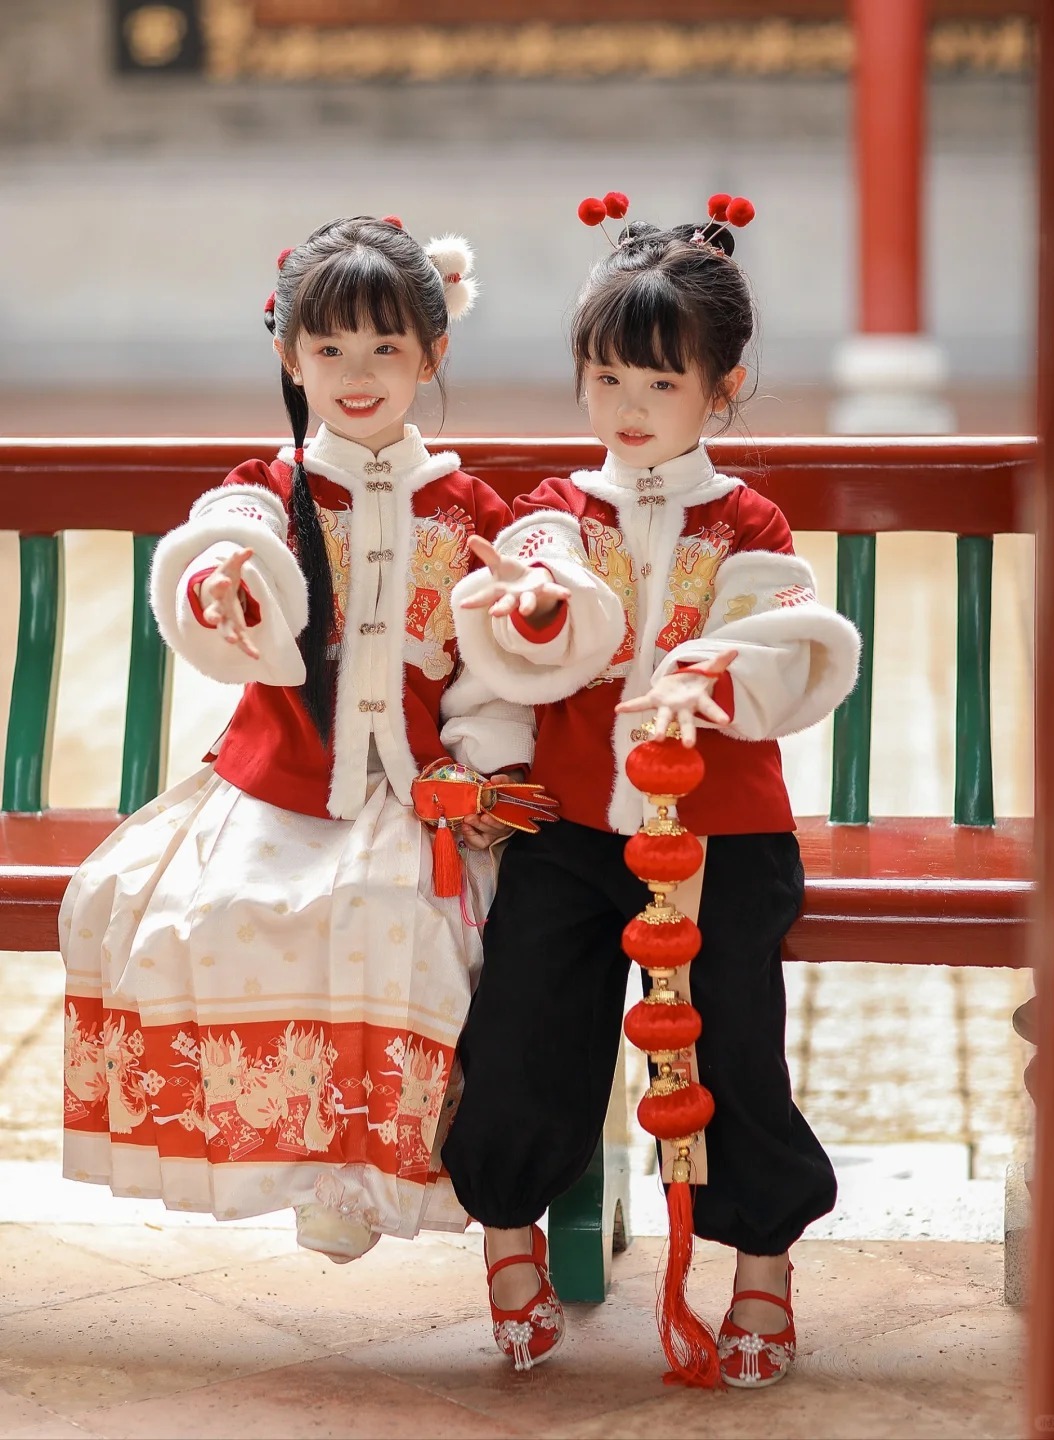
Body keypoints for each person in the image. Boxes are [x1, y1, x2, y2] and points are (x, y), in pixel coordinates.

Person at [61, 213, 535, 1264]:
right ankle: (305, 1163)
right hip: (279, 787)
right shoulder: (266, 491)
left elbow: (496, 672)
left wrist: (479, 764)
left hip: (414, 793)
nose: (356, 374)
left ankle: (372, 1174)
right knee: (219, 911)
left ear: (432, 354)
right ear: (288, 354)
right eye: (328, 351)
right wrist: (224, 588)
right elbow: (218, 555)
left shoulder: (466, 508)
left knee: (404, 919)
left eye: (385, 350)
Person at [443, 194, 861, 1383]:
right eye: (608, 380)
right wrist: (527, 612)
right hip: (574, 825)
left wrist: (707, 678)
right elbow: (520, 632)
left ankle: (763, 1271)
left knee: (731, 1044)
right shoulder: (553, 517)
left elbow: (785, 647)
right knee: (527, 1018)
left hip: (721, 832)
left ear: (721, 389)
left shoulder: (752, 521)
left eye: (660, 386)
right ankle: (511, 1231)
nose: (629, 410)